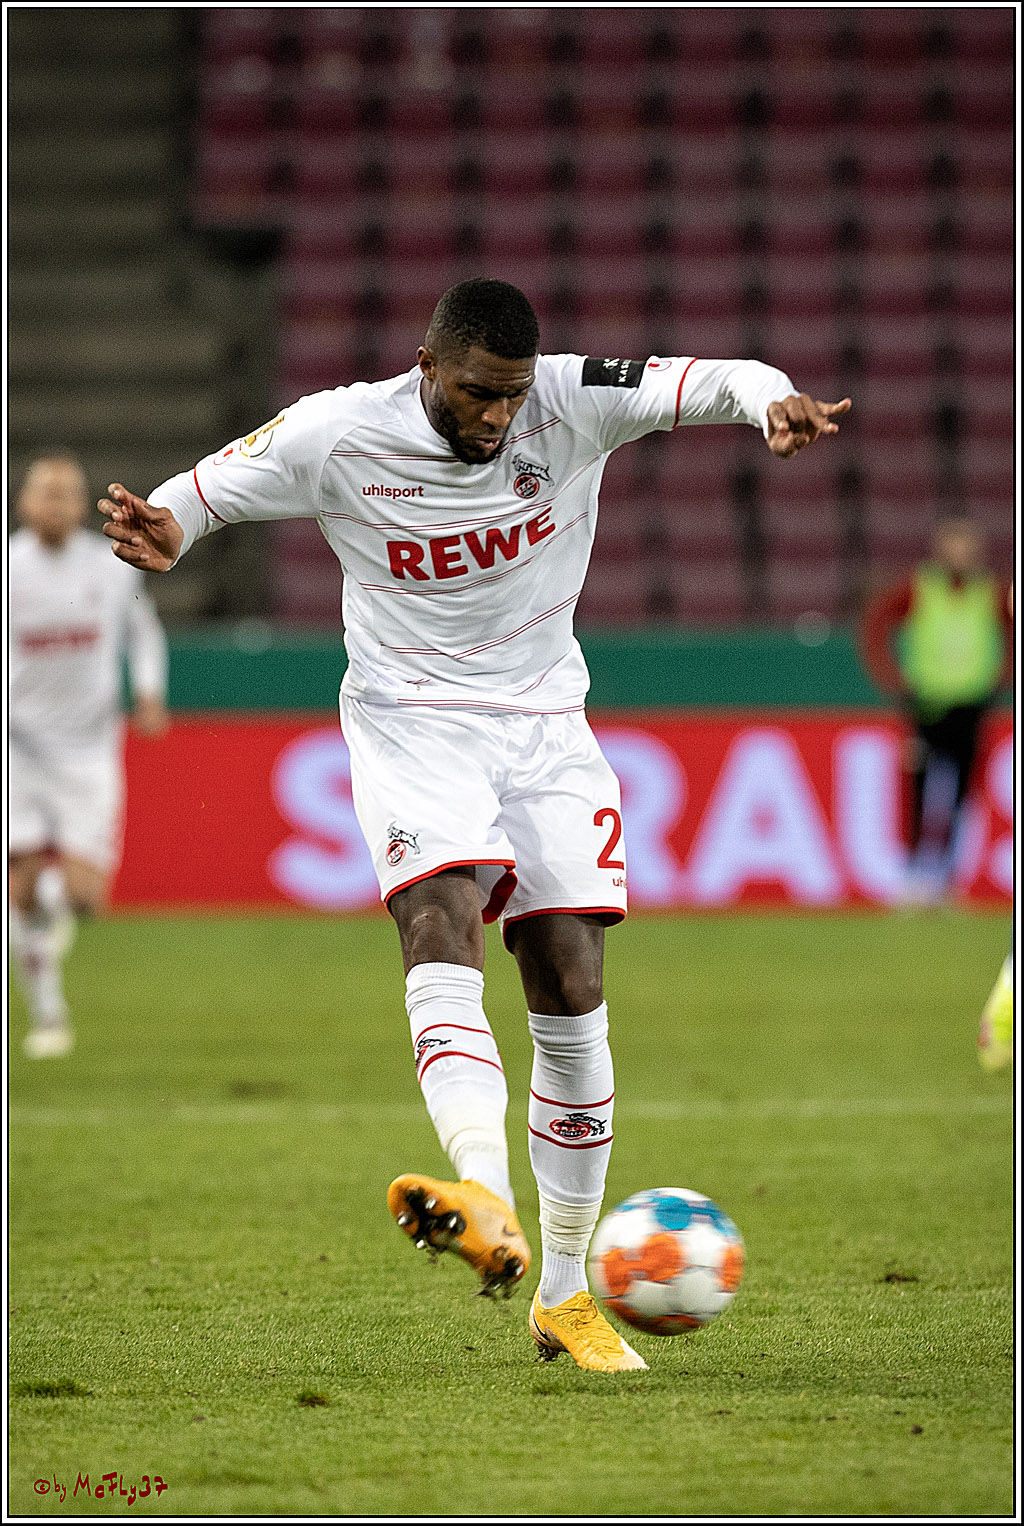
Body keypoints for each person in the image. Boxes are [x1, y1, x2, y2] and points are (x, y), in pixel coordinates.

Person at [99, 279, 850, 1371]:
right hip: (411, 721)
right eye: (475, 395)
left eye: (509, 397)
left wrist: (771, 397)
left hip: (546, 725)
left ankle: (564, 1292)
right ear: (427, 365)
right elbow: (204, 496)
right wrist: (167, 525)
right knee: (439, 917)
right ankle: (481, 1193)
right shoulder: (337, 432)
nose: (496, 417)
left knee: (571, 981)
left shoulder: (571, 400)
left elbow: (710, 378)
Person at [9, 452, 169, 1058]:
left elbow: (143, 631)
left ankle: (51, 911)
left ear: (80, 505)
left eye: (66, 493)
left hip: (88, 748)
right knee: (19, 884)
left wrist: (148, 692)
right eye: (45, 492)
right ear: (25, 502)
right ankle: (48, 1014)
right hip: (18, 746)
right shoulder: (10, 568)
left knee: (84, 898)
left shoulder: (109, 567)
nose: (55, 503)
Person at [859, 518, 1012, 904]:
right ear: (940, 550)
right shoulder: (919, 587)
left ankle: (947, 876)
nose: (961, 555)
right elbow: (877, 623)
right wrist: (893, 679)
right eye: (954, 546)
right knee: (919, 788)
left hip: (972, 706)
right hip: (925, 706)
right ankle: (913, 874)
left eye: (968, 547)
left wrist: (1003, 676)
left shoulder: (990, 592)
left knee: (963, 793)